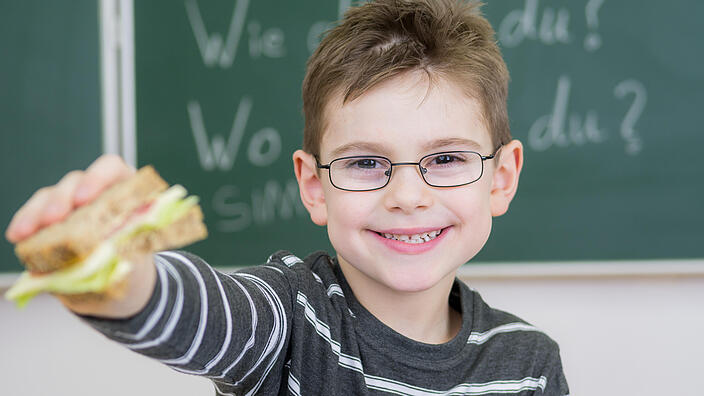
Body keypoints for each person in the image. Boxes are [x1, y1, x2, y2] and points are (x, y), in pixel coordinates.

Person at [5, 0, 569, 394]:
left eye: (445, 159)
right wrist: (119, 278)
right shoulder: (287, 319)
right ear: (313, 186)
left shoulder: (528, 363)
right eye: (366, 162)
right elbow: (205, 313)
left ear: (501, 178)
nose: (407, 195)